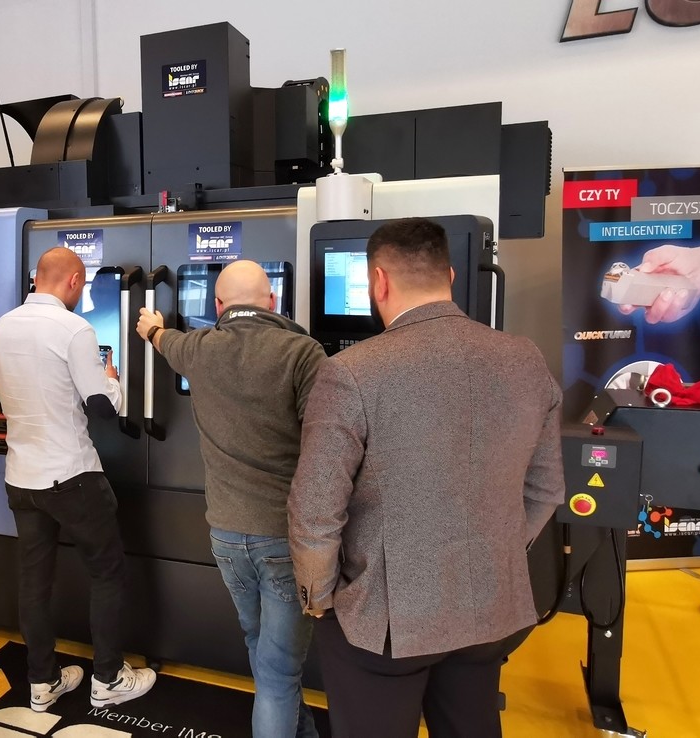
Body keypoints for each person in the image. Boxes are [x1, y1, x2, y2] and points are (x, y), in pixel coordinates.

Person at [288, 218, 565, 738]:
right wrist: (495, 552)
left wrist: (320, 598)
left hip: (385, 618)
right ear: (451, 276)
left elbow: (316, 510)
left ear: (378, 281)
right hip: (489, 606)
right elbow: (546, 489)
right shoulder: (525, 358)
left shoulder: (350, 371)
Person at [134, 260, 325, 738]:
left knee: (263, 649)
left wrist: (151, 326)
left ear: (218, 306)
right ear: (273, 302)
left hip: (225, 536)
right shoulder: (303, 353)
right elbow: (327, 447)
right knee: (280, 670)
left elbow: (162, 339)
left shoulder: (198, 347)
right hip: (284, 537)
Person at [0, 247, 157, 712]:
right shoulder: (74, 328)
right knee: (107, 571)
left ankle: (42, 682)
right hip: (71, 475)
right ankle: (108, 678)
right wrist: (112, 379)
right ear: (75, 280)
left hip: (21, 477)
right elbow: (100, 407)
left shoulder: (2, 328)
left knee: (34, 581)